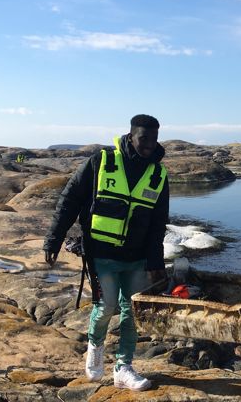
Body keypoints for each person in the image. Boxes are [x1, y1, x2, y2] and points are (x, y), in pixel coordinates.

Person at [43, 114, 169, 391]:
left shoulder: (158, 175)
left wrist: (155, 263)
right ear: (130, 136)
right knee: (105, 307)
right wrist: (54, 239)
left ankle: (124, 367)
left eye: (153, 139)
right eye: (143, 138)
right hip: (101, 255)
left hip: (136, 258)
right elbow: (69, 200)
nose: (149, 145)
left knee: (132, 311)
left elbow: (158, 223)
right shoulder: (101, 162)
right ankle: (95, 347)